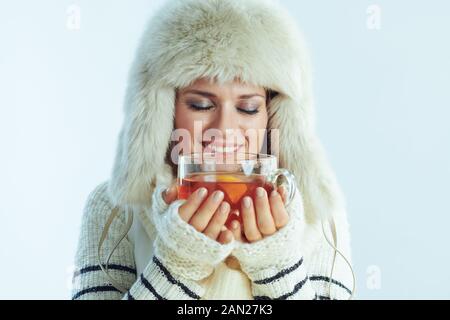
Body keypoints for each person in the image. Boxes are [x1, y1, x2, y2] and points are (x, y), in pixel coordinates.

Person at [71, 0, 354, 300]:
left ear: (272, 115)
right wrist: (177, 266)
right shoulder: (113, 210)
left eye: (248, 107)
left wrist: (277, 266)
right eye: (201, 105)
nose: (224, 129)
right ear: (163, 111)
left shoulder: (319, 216)